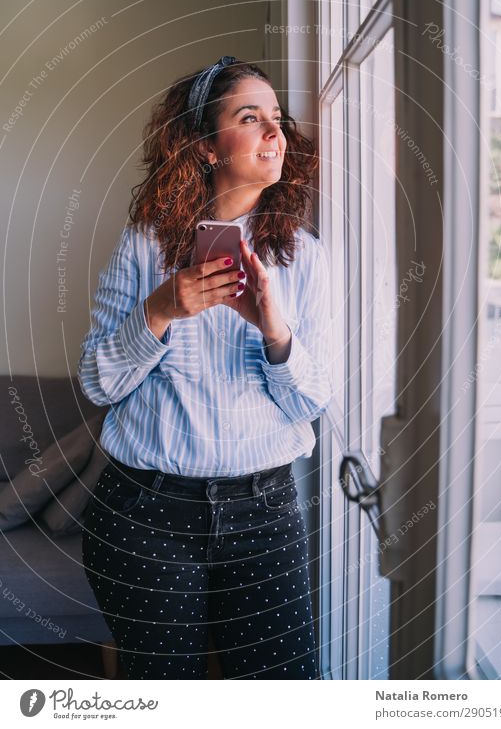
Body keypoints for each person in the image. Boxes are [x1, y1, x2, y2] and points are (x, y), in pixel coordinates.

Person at [78, 55, 333, 680]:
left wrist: (275, 332)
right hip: (146, 517)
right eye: (251, 118)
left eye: (277, 118)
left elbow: (312, 402)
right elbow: (98, 382)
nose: (276, 133)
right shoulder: (143, 246)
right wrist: (162, 310)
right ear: (205, 145)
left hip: (266, 515)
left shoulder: (306, 259)